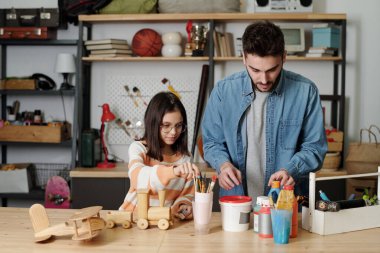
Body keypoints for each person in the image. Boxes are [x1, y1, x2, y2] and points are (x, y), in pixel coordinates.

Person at [201, 21, 327, 201]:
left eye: (272, 70)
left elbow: (315, 147)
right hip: (235, 202)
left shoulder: (306, 91)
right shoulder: (223, 92)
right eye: (255, 70)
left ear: (284, 57)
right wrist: (223, 165)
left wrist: (291, 169)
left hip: (287, 203)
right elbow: (212, 142)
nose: (264, 79)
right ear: (244, 58)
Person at [119, 91, 200, 220]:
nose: (173, 132)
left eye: (179, 126)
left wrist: (184, 206)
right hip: (132, 219)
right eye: (166, 126)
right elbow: (138, 178)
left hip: (164, 222)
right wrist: (174, 172)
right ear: (153, 123)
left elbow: (187, 195)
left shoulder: (185, 158)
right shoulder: (139, 148)